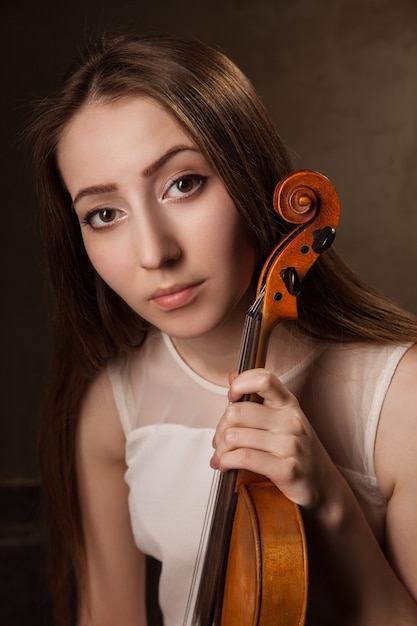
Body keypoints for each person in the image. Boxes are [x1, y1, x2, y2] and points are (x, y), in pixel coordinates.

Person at [28, 33, 417, 626]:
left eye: (183, 183)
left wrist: (333, 505)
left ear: (249, 173)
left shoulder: (400, 398)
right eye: (104, 214)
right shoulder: (114, 406)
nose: (155, 252)